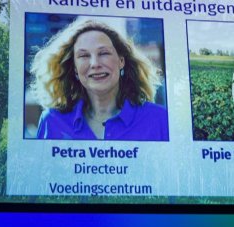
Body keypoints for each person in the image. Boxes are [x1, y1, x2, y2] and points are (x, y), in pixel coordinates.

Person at [30, 18, 168, 141]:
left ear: (121, 61)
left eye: (103, 53)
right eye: (84, 55)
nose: (95, 63)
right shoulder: (52, 121)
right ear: (74, 68)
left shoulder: (160, 119)